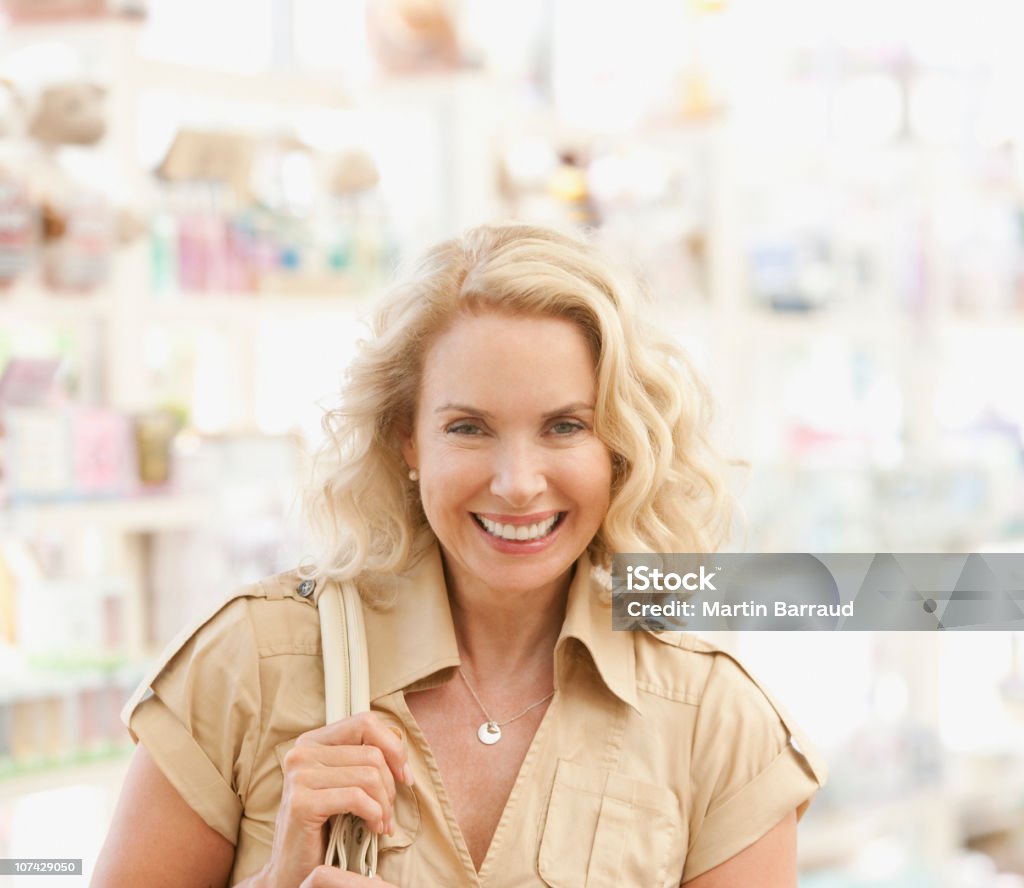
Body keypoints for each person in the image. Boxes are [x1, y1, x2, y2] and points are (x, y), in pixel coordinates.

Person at [92, 223, 827, 888]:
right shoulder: (250, 663)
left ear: (620, 447)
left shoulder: (717, 725)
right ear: (407, 440)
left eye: (565, 426)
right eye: (468, 428)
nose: (516, 483)